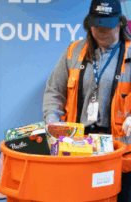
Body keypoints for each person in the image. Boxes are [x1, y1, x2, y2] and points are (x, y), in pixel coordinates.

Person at [43, 0, 131, 201]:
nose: (101, 31)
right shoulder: (74, 51)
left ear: (120, 24)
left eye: (106, 26)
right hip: (78, 148)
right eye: (96, 25)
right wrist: (52, 124)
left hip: (120, 152)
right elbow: (53, 92)